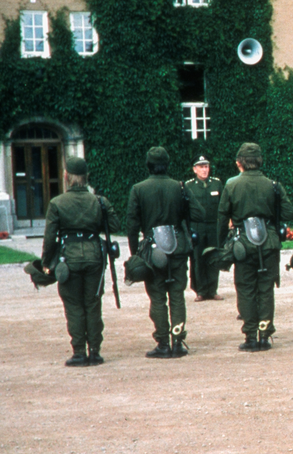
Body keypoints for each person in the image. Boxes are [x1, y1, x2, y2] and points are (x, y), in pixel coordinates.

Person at [41, 156, 121, 366]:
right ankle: (94, 351)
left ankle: (78, 352)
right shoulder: (99, 201)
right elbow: (114, 225)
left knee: (74, 305)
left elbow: (50, 239)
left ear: (66, 176)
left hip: (69, 257)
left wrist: (46, 263)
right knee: (93, 303)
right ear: (86, 177)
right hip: (95, 255)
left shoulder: (57, 203)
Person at [217, 142, 293, 351]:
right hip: (268, 240)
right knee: (266, 288)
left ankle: (250, 336)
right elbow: (288, 213)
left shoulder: (232, 185)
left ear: (240, 162)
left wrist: (222, 244)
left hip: (242, 241)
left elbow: (222, 216)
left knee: (245, 288)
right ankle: (264, 333)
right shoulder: (273, 185)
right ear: (260, 161)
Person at [126, 146, 192, 359]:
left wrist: (135, 252)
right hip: (178, 246)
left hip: (152, 248)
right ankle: (177, 341)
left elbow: (132, 225)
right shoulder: (179, 187)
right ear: (167, 164)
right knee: (177, 295)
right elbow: (190, 215)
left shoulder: (138, 189)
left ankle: (163, 342)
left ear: (148, 165)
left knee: (157, 297)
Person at [184, 154, 223, 302]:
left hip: (213, 226)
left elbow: (222, 205)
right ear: (194, 169)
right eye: (201, 167)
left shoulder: (217, 184)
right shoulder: (189, 186)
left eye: (206, 166)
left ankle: (212, 290)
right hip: (197, 227)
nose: (204, 170)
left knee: (214, 257)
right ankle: (200, 290)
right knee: (197, 258)